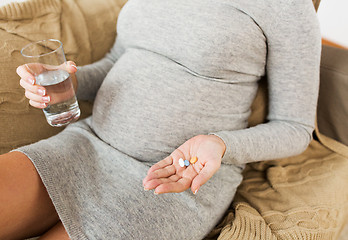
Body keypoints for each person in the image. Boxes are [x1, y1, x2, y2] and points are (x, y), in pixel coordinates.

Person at [0, 0, 321, 239]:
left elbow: (295, 127)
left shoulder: (287, 6)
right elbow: (119, 59)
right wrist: (70, 83)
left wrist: (221, 144)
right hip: (88, 146)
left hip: (174, 180)